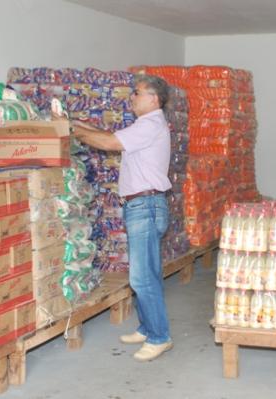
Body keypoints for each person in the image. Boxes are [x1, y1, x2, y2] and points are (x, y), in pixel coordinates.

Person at [72, 75, 173, 362]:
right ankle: (148, 327)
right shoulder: (147, 125)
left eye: (137, 93)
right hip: (143, 205)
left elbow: (108, 142)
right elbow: (106, 133)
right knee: (147, 274)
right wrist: (78, 126)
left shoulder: (150, 124)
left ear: (154, 99)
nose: (132, 97)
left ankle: (159, 337)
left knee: (141, 278)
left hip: (146, 206)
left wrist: (70, 130)